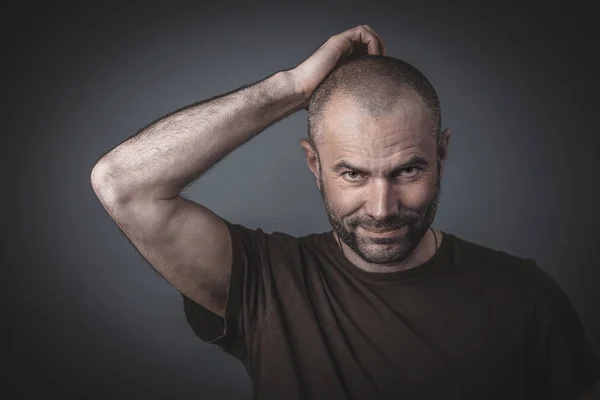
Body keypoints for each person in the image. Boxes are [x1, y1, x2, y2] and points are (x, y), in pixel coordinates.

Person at [91, 25, 600, 399]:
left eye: (407, 171)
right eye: (353, 174)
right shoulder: (263, 282)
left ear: (442, 155)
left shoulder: (526, 296)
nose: (381, 209)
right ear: (314, 164)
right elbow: (123, 183)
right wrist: (290, 89)